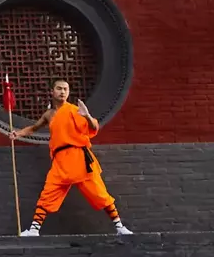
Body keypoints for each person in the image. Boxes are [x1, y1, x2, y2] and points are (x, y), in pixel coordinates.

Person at [11, 78, 135, 238]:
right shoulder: (49, 114)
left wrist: (88, 116)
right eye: (59, 88)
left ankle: (119, 226)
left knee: (100, 193)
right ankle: (34, 229)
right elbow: (34, 128)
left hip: (79, 158)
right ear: (52, 91)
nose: (62, 92)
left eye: (65, 89)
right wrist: (18, 133)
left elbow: (93, 127)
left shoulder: (75, 110)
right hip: (60, 161)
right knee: (48, 193)